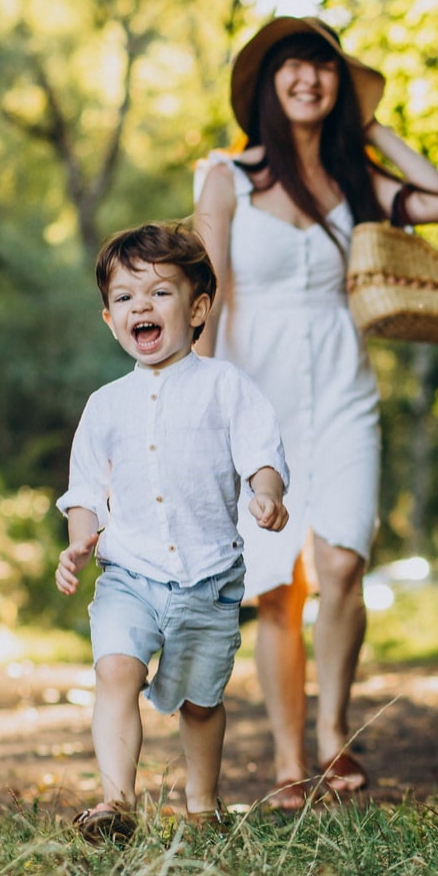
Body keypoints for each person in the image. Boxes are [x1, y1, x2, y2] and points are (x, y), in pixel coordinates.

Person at [193, 17, 438, 809]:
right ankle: (286, 761)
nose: (309, 79)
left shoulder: (355, 179)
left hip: (345, 391)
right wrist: (197, 396)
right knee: (277, 585)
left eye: (325, 68)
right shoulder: (227, 177)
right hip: (254, 395)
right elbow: (207, 289)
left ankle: (333, 733)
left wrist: (374, 127)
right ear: (268, 86)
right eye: (294, 68)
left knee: (343, 564)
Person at [55, 222, 291, 840]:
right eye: (126, 298)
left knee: (200, 702)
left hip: (208, 579)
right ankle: (115, 803)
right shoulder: (105, 405)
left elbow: (261, 453)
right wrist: (81, 539)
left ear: (198, 308)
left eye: (160, 293)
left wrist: (266, 493)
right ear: (110, 319)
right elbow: (85, 491)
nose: (142, 307)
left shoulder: (225, 387)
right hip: (128, 573)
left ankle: (203, 806)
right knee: (115, 671)